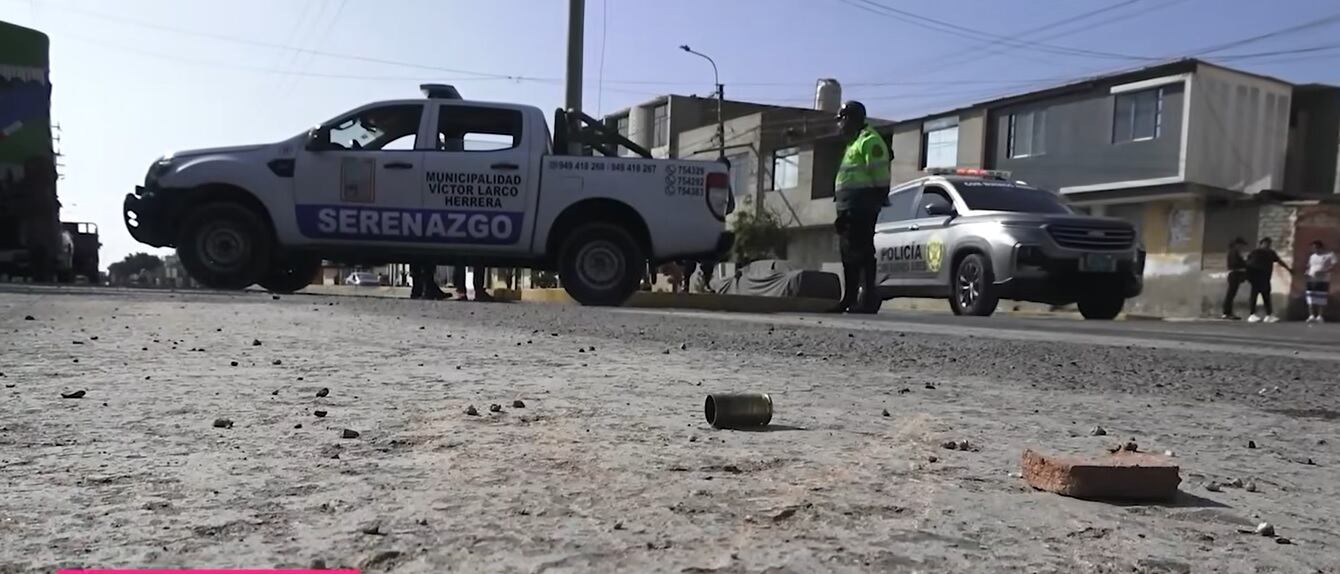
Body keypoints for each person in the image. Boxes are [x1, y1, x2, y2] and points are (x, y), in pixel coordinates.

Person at [831, 100, 891, 313]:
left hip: (861, 207)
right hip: (848, 207)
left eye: (841, 120)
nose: (839, 125)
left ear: (851, 119)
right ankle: (849, 298)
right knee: (848, 254)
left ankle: (867, 300)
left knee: (862, 253)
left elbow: (880, 177)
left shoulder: (869, 141)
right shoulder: (854, 143)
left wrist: (873, 202)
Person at [1246, 237, 1291, 323]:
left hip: (1266, 278)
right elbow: (1249, 264)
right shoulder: (1256, 252)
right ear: (1261, 244)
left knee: (1266, 296)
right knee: (1254, 296)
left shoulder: (1271, 253)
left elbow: (1279, 261)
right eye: (1266, 243)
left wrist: (1288, 269)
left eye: (1269, 244)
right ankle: (1252, 314)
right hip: (1256, 278)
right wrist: (1249, 276)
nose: (1267, 245)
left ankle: (1269, 315)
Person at [1305, 240, 1336, 323]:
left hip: (1323, 280)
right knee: (1310, 297)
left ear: (1320, 247)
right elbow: (1309, 266)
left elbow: (1334, 266)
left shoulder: (1329, 255)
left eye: (1315, 247)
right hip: (1311, 279)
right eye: (1313, 248)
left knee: (1321, 298)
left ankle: (1320, 316)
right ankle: (1311, 315)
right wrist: (1307, 272)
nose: (1314, 249)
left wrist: (1324, 272)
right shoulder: (1312, 256)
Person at [1221, 237, 1249, 320]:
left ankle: (1228, 312)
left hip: (1235, 274)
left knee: (1231, 294)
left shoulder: (1234, 252)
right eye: (1241, 245)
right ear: (1237, 244)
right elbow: (1234, 263)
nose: (1242, 247)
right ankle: (1227, 312)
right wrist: (1245, 263)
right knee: (1230, 294)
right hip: (1234, 274)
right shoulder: (1234, 252)